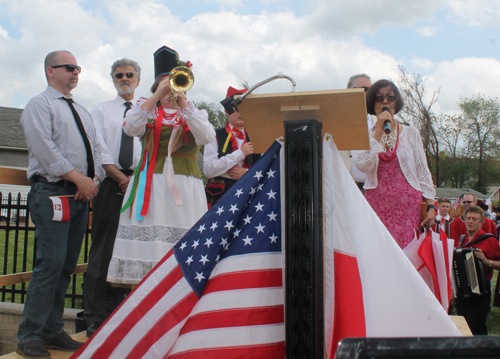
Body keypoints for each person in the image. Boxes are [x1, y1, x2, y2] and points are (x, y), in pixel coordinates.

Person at [17, 50, 104, 358]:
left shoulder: (81, 109)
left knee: (66, 266)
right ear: (50, 71)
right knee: (49, 265)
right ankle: (29, 335)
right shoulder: (38, 105)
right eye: (69, 67)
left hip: (78, 195)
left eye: (78, 67)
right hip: (52, 193)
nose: (75, 72)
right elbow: (46, 149)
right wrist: (77, 179)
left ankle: (53, 330)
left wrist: (91, 180)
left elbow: (95, 150)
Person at [106, 46, 215, 284]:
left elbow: (206, 137)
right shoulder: (147, 111)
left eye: (174, 84)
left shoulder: (194, 113)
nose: (170, 91)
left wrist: (184, 102)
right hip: (150, 186)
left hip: (184, 189)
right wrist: (155, 97)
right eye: (164, 86)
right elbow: (130, 128)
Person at [83, 59, 143, 337]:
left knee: (135, 250)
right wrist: (121, 178)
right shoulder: (101, 111)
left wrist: (138, 180)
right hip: (111, 184)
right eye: (119, 75)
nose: (124, 78)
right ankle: (95, 317)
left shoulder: (148, 111)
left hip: (143, 184)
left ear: (138, 79)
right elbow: (99, 149)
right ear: (113, 80)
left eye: (129, 74)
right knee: (103, 251)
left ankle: (123, 313)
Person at [354, 79, 436, 249]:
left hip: (409, 209)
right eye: (379, 97)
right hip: (378, 206)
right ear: (372, 103)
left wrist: (430, 205)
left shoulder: (411, 133)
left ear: (396, 102)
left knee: (408, 258)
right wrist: (377, 132)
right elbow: (362, 166)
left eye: (390, 97)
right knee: (380, 255)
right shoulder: (365, 135)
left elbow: (423, 172)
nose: (385, 101)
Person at [203, 86, 257, 207]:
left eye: (246, 108)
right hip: (220, 200)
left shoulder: (258, 136)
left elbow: (268, 168)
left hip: (250, 199)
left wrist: (247, 173)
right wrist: (240, 154)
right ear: (227, 111)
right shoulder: (214, 135)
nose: (241, 112)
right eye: (237, 108)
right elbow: (208, 170)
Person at [453, 206, 500, 335]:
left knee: (477, 327)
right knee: (463, 326)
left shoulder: (490, 240)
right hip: (462, 291)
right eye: (468, 218)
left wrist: (487, 261)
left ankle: (482, 353)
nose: (470, 221)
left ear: (481, 223)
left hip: (480, 291)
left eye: (474, 219)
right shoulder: (462, 240)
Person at [341, 74, 374, 190]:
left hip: (373, 191)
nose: (367, 93)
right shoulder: (338, 121)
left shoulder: (378, 121)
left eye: (370, 90)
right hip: (346, 189)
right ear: (349, 92)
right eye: (363, 89)